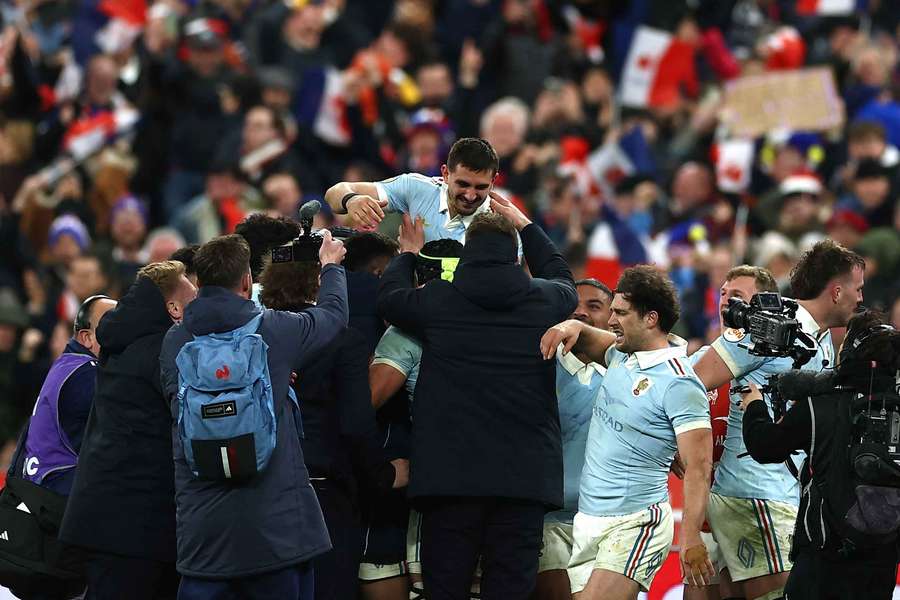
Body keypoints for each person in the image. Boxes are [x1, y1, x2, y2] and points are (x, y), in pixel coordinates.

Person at [376, 193, 577, 600]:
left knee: (446, 590)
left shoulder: (438, 301)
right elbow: (564, 279)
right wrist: (525, 223)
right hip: (523, 482)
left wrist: (409, 255)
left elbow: (390, 298)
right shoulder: (542, 301)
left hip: (450, 482)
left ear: (468, 253)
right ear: (516, 255)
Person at [159, 233, 348, 599]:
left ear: (198, 283)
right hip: (277, 533)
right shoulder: (277, 330)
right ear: (247, 280)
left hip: (204, 539)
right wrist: (331, 268)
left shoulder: (174, 343)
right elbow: (333, 318)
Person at [691, 240, 865, 600]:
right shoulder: (769, 325)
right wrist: (684, 448)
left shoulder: (819, 336)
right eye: (857, 288)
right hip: (758, 494)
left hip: (773, 495)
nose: (861, 298)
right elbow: (691, 382)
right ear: (836, 291)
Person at [540, 266, 714, 600]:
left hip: (636, 520)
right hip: (589, 522)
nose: (610, 320)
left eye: (620, 312)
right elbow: (584, 334)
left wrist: (690, 536)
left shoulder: (679, 380)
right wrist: (569, 323)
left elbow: (698, 466)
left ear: (650, 318)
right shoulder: (620, 357)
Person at [257, 255, 408, 600]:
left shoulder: (254, 336)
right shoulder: (342, 340)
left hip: (265, 490)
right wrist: (383, 475)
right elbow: (356, 423)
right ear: (319, 289)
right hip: (325, 495)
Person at [60, 261, 198, 600]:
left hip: (115, 523)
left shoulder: (123, 344)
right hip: (133, 529)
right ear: (174, 308)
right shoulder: (159, 351)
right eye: (194, 301)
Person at [739, 310, 900, 600]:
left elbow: (764, 446)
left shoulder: (819, 407)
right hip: (882, 565)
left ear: (850, 351)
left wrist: (755, 405)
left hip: (822, 563)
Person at [368, 238, 466, 600]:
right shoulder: (505, 321)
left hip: (437, 481)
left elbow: (366, 404)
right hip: (501, 485)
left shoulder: (406, 330)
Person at [684, 265, 779, 600]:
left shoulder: (775, 363)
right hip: (706, 514)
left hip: (750, 506)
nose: (726, 302)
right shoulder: (697, 363)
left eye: (737, 295)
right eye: (723, 294)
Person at [533, 278, 612, 600]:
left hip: (608, 522)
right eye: (573, 306)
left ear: (612, 317)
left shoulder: (628, 374)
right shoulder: (537, 366)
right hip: (549, 519)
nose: (579, 314)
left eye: (594, 306)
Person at [22, 294, 117, 495]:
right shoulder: (84, 372)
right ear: (87, 337)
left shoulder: (68, 365)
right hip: (58, 493)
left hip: (42, 487)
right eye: (111, 322)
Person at [325, 137, 500, 243]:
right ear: (445, 174)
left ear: (493, 181)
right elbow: (334, 193)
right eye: (463, 184)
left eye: (481, 187)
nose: (470, 195)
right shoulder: (416, 188)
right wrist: (352, 199)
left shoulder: (502, 223)